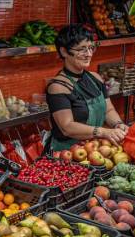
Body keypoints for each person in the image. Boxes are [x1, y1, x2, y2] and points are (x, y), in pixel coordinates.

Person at [44, 24, 128, 153]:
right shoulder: (58, 87)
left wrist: (118, 124)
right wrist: (102, 131)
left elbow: (108, 110)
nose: (88, 54)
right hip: (66, 154)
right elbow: (67, 127)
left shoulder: (96, 79)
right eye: (82, 49)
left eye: (90, 48)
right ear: (64, 51)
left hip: (93, 150)